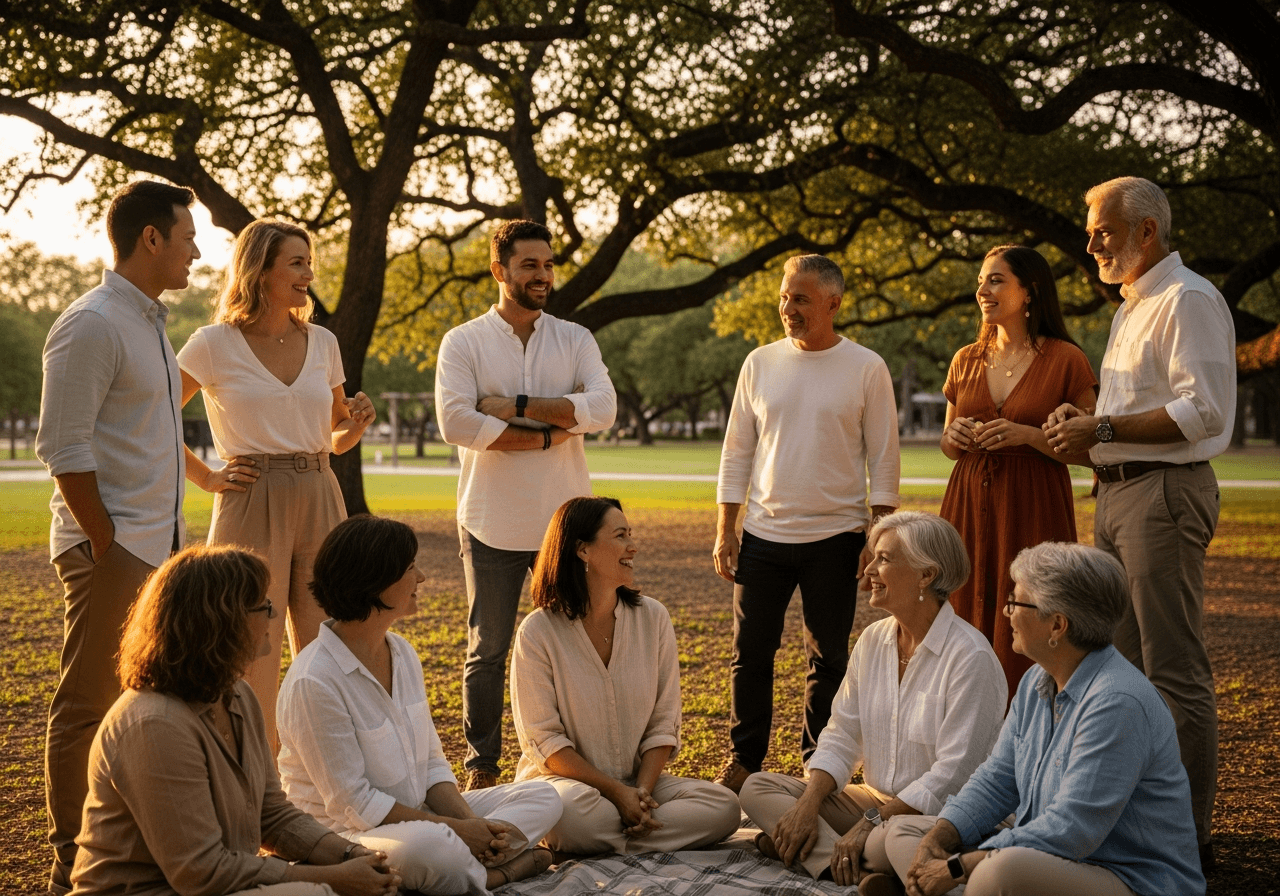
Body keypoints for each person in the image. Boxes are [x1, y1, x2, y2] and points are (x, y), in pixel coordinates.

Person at [1044, 176, 1235, 865]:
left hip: (1165, 495)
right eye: (1091, 232)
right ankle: (1132, 827)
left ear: (1146, 231)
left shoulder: (1188, 300)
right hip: (1119, 494)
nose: (1091, 244)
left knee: (1173, 671)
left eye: (1102, 231)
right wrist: (1090, 422)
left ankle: (1186, 842)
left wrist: (1101, 427)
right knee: (1120, 670)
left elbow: (1201, 411)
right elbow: (1127, 414)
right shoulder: (1133, 307)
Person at [70, 545, 402, 896]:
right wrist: (335, 879)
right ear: (222, 620)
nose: (274, 614)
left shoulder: (237, 696)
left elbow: (271, 814)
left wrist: (351, 854)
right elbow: (200, 872)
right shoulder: (155, 725)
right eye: (263, 605)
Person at [35, 180, 197, 894]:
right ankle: (72, 864)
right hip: (115, 550)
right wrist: (107, 544)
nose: (196, 252)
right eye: (187, 238)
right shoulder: (91, 323)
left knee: (144, 705)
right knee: (88, 706)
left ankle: (128, 846)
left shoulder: (151, 323)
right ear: (151, 238)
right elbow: (63, 448)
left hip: (159, 549)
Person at [881, 542, 1205, 896]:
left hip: (1128, 877)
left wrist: (960, 866)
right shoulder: (1037, 679)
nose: (1006, 612)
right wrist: (941, 836)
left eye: (1016, 602)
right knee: (905, 833)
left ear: (1057, 625)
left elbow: (1071, 831)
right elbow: (997, 779)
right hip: (1052, 858)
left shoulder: (1117, 703)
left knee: (998, 872)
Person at [276, 516, 562, 893]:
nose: (422, 577)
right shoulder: (314, 681)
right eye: (411, 568)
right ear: (375, 581)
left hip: (423, 819)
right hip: (349, 837)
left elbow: (430, 763)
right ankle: (498, 874)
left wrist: (469, 825)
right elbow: (354, 805)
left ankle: (467, 865)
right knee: (430, 849)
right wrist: (457, 831)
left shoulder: (402, 653)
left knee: (543, 796)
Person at [177, 219, 375, 747]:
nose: (309, 274)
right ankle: (251, 774)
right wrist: (206, 477)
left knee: (329, 643)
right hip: (249, 497)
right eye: (296, 263)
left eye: (309, 263)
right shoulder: (212, 344)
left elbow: (335, 437)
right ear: (260, 270)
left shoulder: (324, 342)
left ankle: (326, 771)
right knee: (248, 645)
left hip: (319, 491)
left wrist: (355, 424)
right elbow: (155, 414)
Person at [435, 220, 616, 790]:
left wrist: (513, 405)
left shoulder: (575, 338)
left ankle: (577, 765)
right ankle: (482, 768)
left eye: (548, 264)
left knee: (573, 645)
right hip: (489, 520)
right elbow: (456, 423)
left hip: (564, 524)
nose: (543, 275)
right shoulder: (463, 342)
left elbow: (603, 409)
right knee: (487, 650)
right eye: (529, 265)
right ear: (500, 270)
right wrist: (547, 432)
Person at [739, 512, 1006, 895]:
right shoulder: (872, 640)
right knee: (757, 788)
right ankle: (854, 868)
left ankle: (810, 852)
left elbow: (954, 775)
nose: (869, 570)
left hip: (934, 815)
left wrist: (870, 822)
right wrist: (808, 805)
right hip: (873, 801)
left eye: (884, 559)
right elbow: (842, 734)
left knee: (890, 838)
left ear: (926, 575)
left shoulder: (970, 657)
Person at [712, 254, 901, 792]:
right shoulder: (760, 363)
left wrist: (876, 536)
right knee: (750, 655)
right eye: (784, 297)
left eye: (800, 298)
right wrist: (726, 528)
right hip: (764, 536)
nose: (787, 308)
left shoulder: (866, 367)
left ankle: (819, 767)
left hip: (836, 538)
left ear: (833, 303)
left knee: (829, 658)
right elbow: (736, 452)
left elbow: (884, 458)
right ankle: (744, 760)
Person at [510, 497, 741, 855]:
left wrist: (640, 793)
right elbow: (545, 741)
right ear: (583, 550)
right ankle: (632, 832)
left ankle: (616, 835)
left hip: (638, 782)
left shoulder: (653, 618)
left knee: (724, 807)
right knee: (573, 818)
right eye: (620, 536)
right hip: (565, 786)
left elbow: (663, 723)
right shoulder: (537, 632)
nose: (633, 546)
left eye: (630, 534)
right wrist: (616, 793)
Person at [938, 245, 1097, 696]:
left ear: (1029, 291)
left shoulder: (1066, 359)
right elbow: (948, 445)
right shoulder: (965, 359)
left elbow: (1092, 450)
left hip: (1033, 505)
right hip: (968, 504)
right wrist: (956, 436)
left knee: (1032, 607)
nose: (982, 291)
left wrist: (1027, 436)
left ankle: (1031, 712)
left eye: (996, 280)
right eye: (981, 282)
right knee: (965, 603)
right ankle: (967, 716)